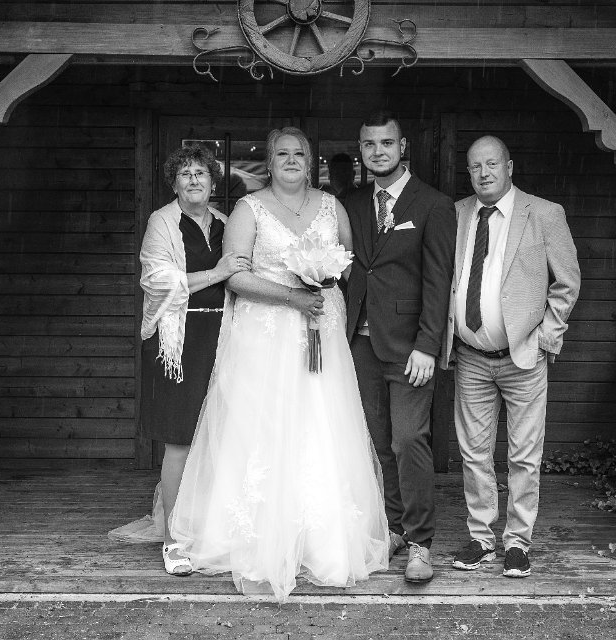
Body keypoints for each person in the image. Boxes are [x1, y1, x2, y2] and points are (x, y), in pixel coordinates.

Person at [169, 126, 389, 602]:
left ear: (310, 162)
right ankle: (258, 538)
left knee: (320, 424)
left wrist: (322, 282)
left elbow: (348, 264)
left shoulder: (331, 206)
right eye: (282, 153)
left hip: (321, 331)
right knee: (262, 428)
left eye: (299, 153)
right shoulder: (249, 209)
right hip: (264, 337)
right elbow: (235, 276)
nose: (291, 160)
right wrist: (292, 296)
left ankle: (319, 540)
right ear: (269, 163)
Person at [444, 135, 580, 578]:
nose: (483, 173)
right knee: (473, 453)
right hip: (470, 356)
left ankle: (518, 542)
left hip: (524, 357)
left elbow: (567, 282)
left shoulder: (544, 213)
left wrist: (546, 337)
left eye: (492, 164)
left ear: (509, 166)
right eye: (475, 166)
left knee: (524, 455)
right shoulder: (457, 213)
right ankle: (481, 538)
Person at [119, 145, 251, 576]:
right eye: (185, 174)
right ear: (174, 183)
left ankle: (212, 529)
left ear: (213, 182)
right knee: (180, 440)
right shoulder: (162, 222)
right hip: (177, 344)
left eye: (201, 173)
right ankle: (173, 538)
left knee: (222, 437)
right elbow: (157, 280)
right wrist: (217, 273)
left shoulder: (226, 223)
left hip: (224, 338)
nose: (194, 180)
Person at [344, 111, 457, 583]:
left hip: (411, 347)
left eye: (386, 143)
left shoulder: (433, 204)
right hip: (359, 343)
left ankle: (420, 542)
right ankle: (393, 528)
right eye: (369, 144)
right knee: (377, 443)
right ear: (361, 149)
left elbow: (439, 280)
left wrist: (428, 345)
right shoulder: (350, 203)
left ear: (402, 145)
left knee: (409, 440)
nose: (378, 152)